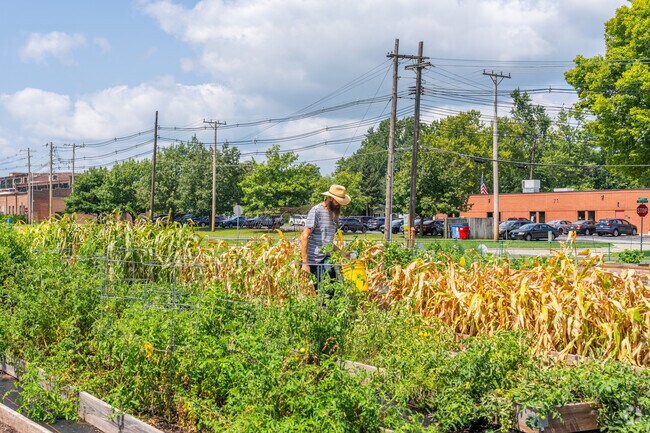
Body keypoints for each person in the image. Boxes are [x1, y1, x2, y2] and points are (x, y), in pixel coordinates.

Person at [300, 184, 351, 294]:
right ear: (331, 198)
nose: (339, 206)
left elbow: (327, 243)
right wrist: (305, 263)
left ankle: (327, 310)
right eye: (338, 202)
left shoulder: (332, 214)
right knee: (325, 293)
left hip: (326, 258)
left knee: (333, 289)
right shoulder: (316, 211)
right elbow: (304, 236)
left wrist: (343, 253)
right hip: (315, 260)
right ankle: (322, 310)